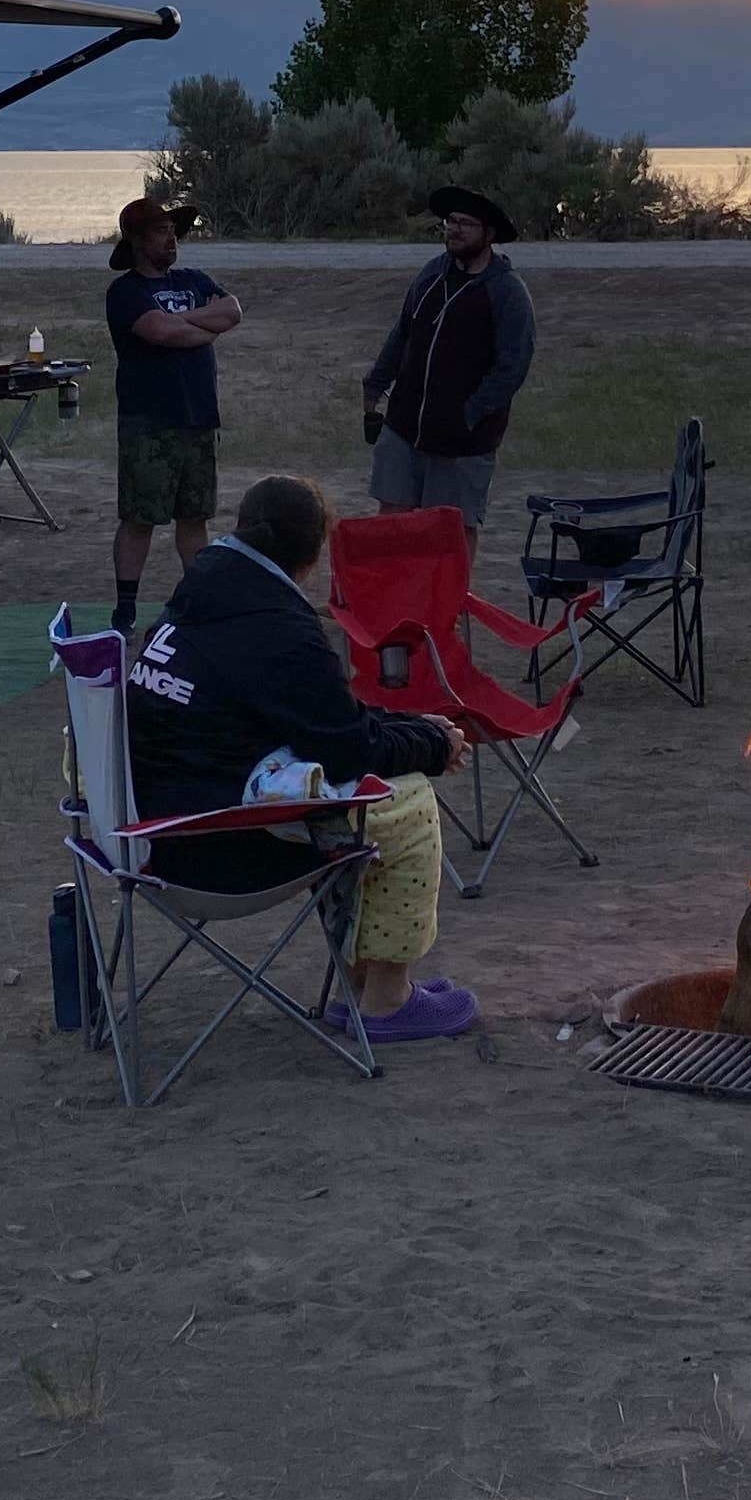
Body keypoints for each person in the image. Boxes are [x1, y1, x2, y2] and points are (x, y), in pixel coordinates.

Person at [127, 474, 477, 1041]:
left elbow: (323, 718)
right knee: (404, 801)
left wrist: (415, 727)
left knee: (339, 793)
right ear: (313, 556)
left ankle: (362, 983)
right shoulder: (275, 625)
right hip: (220, 849)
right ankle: (388, 997)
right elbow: (347, 748)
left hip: (149, 831)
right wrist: (435, 745)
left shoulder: (202, 597)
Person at [361, 184, 537, 526]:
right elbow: (402, 333)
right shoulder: (431, 273)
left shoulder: (506, 291)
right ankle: (394, 584)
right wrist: (375, 385)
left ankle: (452, 585)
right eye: (450, 221)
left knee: (448, 531)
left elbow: (512, 368)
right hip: (403, 427)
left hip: (463, 442)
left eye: (466, 223)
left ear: (489, 234)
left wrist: (468, 416)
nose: (455, 229)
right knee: (390, 524)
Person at [105, 196, 242, 631]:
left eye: (173, 231)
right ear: (139, 240)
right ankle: (125, 609)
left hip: (198, 418)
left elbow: (233, 310)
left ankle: (200, 601)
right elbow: (163, 333)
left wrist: (191, 323)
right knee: (140, 519)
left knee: (195, 519)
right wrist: (202, 328)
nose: (173, 239)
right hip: (149, 423)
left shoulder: (193, 278)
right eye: (162, 232)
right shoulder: (126, 292)